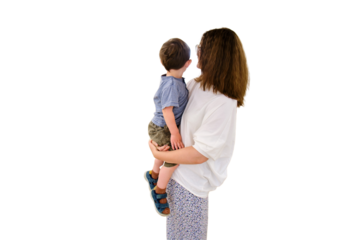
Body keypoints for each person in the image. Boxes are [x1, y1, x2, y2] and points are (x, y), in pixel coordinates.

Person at [147, 26, 251, 239]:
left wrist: (160, 156)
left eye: (199, 48)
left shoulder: (222, 103)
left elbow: (199, 153)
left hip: (190, 187)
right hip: (176, 178)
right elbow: (170, 113)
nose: (196, 53)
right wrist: (155, 141)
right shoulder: (196, 82)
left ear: (214, 56)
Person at [143, 36, 192, 218]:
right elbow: (167, 111)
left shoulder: (174, 79)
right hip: (163, 127)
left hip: (160, 126)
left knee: (163, 152)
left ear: (161, 61)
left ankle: (153, 173)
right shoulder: (172, 84)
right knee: (173, 159)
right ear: (189, 62)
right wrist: (175, 134)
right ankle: (159, 189)